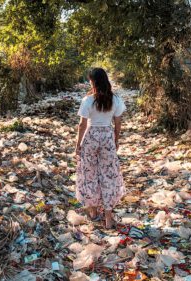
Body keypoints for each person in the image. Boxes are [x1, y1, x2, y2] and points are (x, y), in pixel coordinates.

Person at [75, 67, 126, 229]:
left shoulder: (88, 100)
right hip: (107, 136)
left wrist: (78, 144)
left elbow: (82, 125)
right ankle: (109, 217)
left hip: (91, 137)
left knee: (89, 174)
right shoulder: (115, 100)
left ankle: (94, 212)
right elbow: (118, 124)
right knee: (108, 175)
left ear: (93, 81)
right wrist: (116, 140)